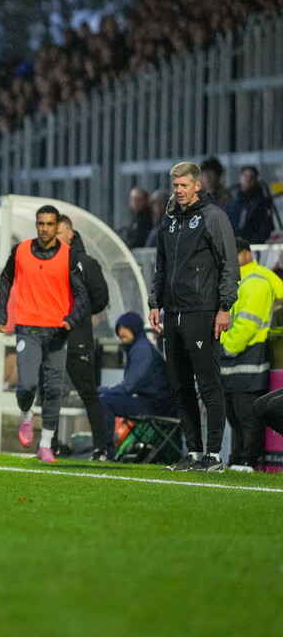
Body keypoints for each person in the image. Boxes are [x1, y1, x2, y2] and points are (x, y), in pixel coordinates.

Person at [149, 161, 240, 473]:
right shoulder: (170, 219)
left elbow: (230, 264)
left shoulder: (213, 217)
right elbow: (161, 265)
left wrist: (225, 307)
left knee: (209, 383)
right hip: (172, 312)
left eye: (183, 186)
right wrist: (153, 302)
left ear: (197, 185)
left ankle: (214, 454)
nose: (178, 191)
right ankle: (193, 451)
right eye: (175, 186)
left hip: (202, 311)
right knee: (180, 385)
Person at [0, 205, 88, 463]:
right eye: (41, 224)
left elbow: (82, 293)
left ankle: (46, 444)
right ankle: (26, 414)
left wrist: (72, 319)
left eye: (50, 224)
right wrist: (2, 315)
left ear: (57, 226)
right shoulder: (22, 250)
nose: (45, 229)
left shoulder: (69, 255)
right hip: (28, 328)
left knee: (54, 389)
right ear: (36, 224)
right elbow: (5, 279)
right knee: (26, 385)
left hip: (57, 331)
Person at [220, 238, 283, 471]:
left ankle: (248, 460)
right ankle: (238, 459)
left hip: (248, 354)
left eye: (233, 255)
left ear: (246, 254)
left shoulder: (256, 280)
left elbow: (248, 323)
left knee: (248, 413)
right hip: (235, 355)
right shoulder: (240, 279)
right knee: (236, 414)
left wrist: (227, 348)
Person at [56, 215, 111, 460]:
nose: (52, 237)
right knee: (50, 392)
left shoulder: (86, 263)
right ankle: (50, 445)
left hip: (77, 337)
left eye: (57, 233)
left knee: (87, 392)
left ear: (70, 234)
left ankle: (102, 448)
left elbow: (101, 299)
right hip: (53, 337)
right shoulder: (47, 263)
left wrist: (81, 315)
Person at [98, 312, 176, 456]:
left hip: (157, 405)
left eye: (125, 328)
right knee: (105, 399)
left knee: (104, 401)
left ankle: (106, 451)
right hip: (156, 402)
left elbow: (128, 387)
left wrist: (100, 390)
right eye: (119, 329)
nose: (121, 332)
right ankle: (104, 450)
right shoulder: (137, 347)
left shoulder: (142, 349)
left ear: (135, 328)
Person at [224, 166, 274, 245]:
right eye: (245, 176)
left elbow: (265, 228)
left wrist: (252, 243)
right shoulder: (232, 202)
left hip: (254, 247)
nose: (248, 180)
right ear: (240, 178)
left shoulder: (262, 203)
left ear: (256, 180)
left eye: (251, 177)